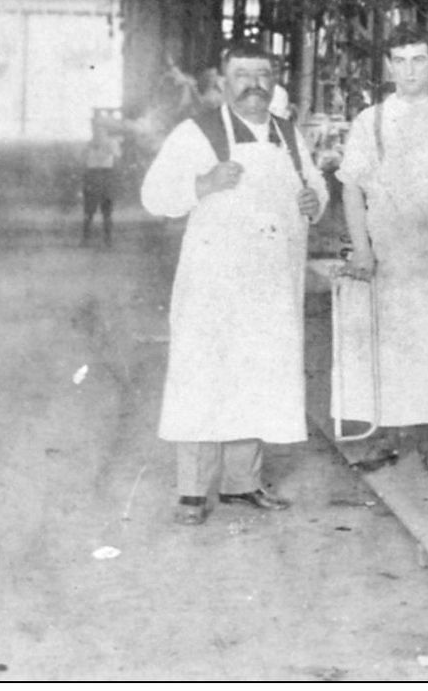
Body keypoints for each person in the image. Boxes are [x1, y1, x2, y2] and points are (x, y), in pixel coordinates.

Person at [141, 41, 327, 526]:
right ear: (224, 84)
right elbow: (154, 195)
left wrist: (315, 201)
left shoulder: (288, 134)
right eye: (242, 74)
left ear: (274, 79)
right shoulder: (196, 133)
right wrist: (202, 184)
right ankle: (192, 492)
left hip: (270, 282)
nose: (254, 84)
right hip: (214, 284)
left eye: (262, 73)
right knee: (205, 377)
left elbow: (315, 186)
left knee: (257, 376)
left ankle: (243, 482)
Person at [335, 20, 428, 475]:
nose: (410, 71)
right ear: (388, 66)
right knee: (387, 346)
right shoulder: (370, 121)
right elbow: (351, 188)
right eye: (400, 61)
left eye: (419, 61)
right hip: (388, 254)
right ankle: (386, 438)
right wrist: (362, 249)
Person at [81, 114, 123, 246]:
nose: (97, 130)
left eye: (100, 128)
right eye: (95, 128)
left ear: (105, 129)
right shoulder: (89, 143)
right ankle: (86, 239)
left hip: (106, 175)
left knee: (107, 211)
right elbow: (83, 160)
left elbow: (117, 158)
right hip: (92, 175)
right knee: (89, 210)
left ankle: (108, 239)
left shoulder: (112, 142)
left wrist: (108, 148)